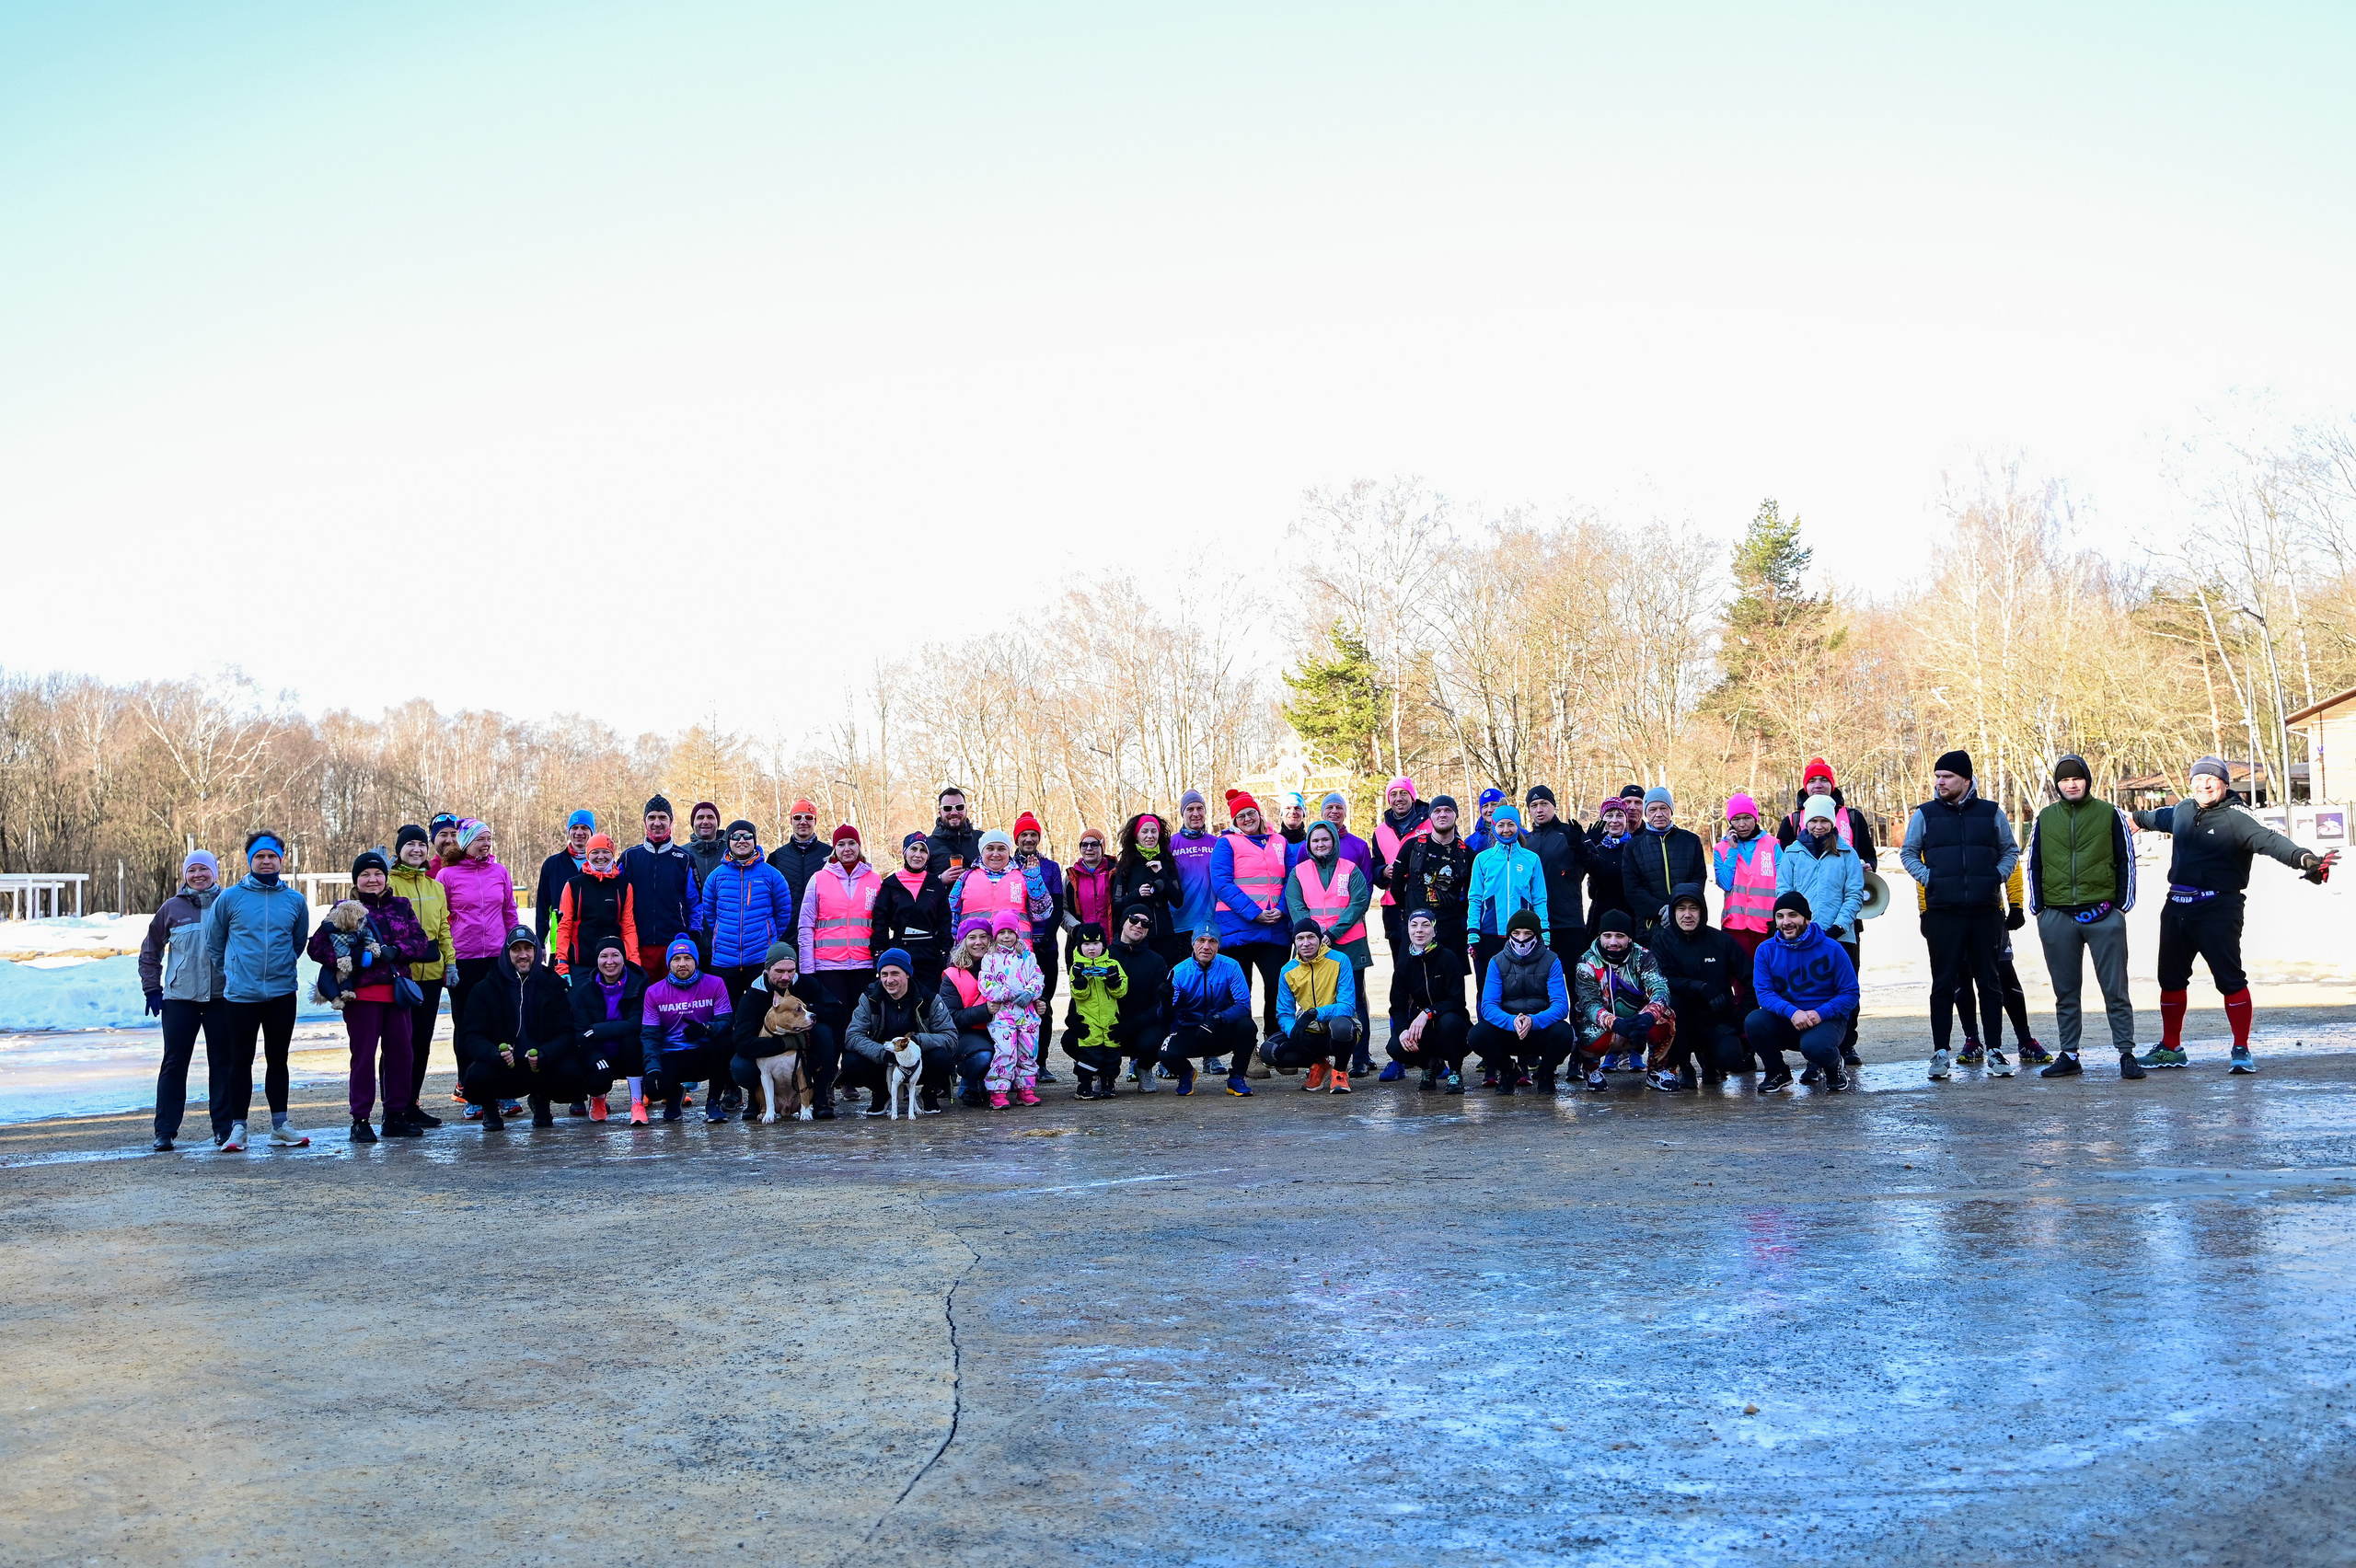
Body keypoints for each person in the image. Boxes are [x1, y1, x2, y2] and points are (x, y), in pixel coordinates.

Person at [2129, 754, 2336, 1073]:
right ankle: (2171, 1047)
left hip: (2219, 909)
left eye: (2211, 779)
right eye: (2197, 779)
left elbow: (2270, 841)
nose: (2204, 784)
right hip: (2177, 908)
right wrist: (2135, 819)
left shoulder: (2237, 817)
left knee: (2230, 979)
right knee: (2170, 980)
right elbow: (2157, 817)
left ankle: (2241, 1049)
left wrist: (2305, 859)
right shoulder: (2184, 809)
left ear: (2224, 783)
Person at [1899, 749, 2020, 1082]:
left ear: (1966, 780)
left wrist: (1996, 876)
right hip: (1943, 913)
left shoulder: (1991, 812)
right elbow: (1908, 853)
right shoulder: (1925, 814)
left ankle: (1994, 1049)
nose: (1940, 782)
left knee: (1990, 982)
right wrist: (1930, 879)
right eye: (1937, 776)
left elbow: (2011, 850)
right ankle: (1940, 1052)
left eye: (1947, 777)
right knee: (1944, 983)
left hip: (1986, 911)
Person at [2026, 753, 2142, 1080]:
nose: (2071, 784)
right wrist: (2039, 909)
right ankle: (2069, 1053)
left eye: (2076, 778)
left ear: (2087, 780)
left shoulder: (2109, 814)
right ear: (2057, 785)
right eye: (2064, 779)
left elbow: (2126, 859)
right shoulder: (2045, 818)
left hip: (2103, 914)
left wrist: (2122, 906)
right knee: (2065, 991)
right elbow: (2033, 862)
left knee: (2115, 989)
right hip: (2057, 916)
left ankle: (2126, 1053)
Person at [307, 848, 435, 1143]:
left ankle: (395, 1115)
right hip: (361, 996)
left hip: (397, 993)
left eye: (377, 873)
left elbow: (420, 942)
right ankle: (360, 1119)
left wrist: (396, 951)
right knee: (363, 1057)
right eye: (365, 875)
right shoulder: (343, 908)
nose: (372, 879)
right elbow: (316, 947)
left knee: (402, 1055)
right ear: (356, 880)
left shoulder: (402, 906)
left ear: (386, 877)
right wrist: (350, 956)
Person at [202, 831, 312, 1151]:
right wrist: (234, 972)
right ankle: (239, 1128)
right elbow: (215, 942)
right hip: (240, 996)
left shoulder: (294, 901)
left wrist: (283, 966)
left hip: (281, 993)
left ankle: (280, 1126)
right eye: (259, 856)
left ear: (281, 860)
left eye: (272, 856)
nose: (266, 861)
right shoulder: (230, 898)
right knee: (241, 1061)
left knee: (278, 1059)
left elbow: (298, 941)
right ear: (250, 860)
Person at [462, 926, 605, 1128]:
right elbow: (470, 1036)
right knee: (476, 1076)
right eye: (516, 949)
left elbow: (566, 1033)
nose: (523, 955)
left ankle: (541, 1102)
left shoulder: (553, 985)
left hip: (540, 1064)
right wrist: (494, 1053)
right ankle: (490, 1110)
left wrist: (545, 1053)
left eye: (528, 949)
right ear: (507, 952)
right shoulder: (484, 989)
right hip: (503, 1065)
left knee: (572, 1072)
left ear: (536, 952)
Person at [139, 849, 225, 1151]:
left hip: (222, 997)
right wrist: (152, 989)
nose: (198, 875)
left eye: (204, 869)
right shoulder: (171, 908)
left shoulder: (228, 903)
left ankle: (224, 1129)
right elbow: (150, 949)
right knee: (174, 1064)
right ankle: (164, 1131)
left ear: (215, 872)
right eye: (192, 870)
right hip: (180, 998)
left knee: (223, 1062)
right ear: (185, 874)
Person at [435, 818, 521, 1113]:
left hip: (497, 960)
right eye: (480, 839)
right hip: (463, 961)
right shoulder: (447, 876)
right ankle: (471, 1092)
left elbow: (510, 913)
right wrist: (446, 960)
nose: (486, 844)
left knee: (503, 1022)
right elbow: (440, 922)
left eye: (489, 838)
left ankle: (505, 1091)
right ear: (465, 843)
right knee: (468, 1027)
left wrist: (517, 950)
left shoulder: (500, 872)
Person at [797, 824, 882, 1115]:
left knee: (857, 1024)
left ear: (859, 847)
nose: (847, 849)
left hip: (862, 964)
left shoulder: (874, 880)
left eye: (852, 844)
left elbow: (879, 923)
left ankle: (851, 1079)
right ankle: (827, 1081)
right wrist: (807, 968)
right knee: (831, 1025)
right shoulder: (819, 879)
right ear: (835, 848)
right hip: (827, 965)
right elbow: (806, 924)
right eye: (842, 844)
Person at [1778, 792, 1866, 1075]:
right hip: (1802, 938)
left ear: (1832, 822)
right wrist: (1795, 923)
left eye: (1823, 821)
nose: (1818, 826)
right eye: (1813, 820)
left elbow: (1854, 893)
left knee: (1844, 991)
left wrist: (1839, 926)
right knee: (1809, 993)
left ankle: (1844, 1045)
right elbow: (1784, 892)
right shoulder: (1792, 852)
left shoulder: (1847, 853)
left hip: (1841, 935)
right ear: (1806, 821)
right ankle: (1815, 1057)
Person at [1744, 890, 1862, 1094]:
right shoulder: (1766, 950)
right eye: (1780, 916)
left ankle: (1835, 1067)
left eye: (1793, 915)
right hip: (1789, 1018)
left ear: (1807, 918)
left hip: (1827, 1019)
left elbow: (1850, 993)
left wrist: (1820, 1014)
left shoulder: (1832, 948)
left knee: (1814, 1048)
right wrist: (1792, 1012)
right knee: (1754, 1021)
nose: (1786, 922)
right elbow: (1764, 993)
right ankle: (1777, 1073)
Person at [1284, 818, 1374, 1072]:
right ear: (1309, 845)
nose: (1321, 844)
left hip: (1349, 943)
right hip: (1311, 946)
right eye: (1316, 840)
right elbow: (1296, 905)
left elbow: (1358, 904)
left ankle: (1360, 1058)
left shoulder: (1350, 869)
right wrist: (1313, 934)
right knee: (1312, 999)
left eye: (1325, 839)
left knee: (1355, 1001)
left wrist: (1332, 933)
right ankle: (1319, 1059)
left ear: (1334, 841)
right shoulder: (1298, 872)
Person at [1209, 789, 1289, 1065]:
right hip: (1237, 929)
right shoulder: (1227, 844)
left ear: (1259, 814)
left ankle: (1275, 1042)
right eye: (1241, 816)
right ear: (1234, 820)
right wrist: (1255, 914)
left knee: (1278, 986)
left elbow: (1292, 879)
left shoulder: (1279, 841)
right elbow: (1222, 884)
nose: (1247, 819)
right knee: (1240, 993)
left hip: (1275, 928)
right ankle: (1248, 1050)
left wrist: (1281, 909)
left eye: (1251, 813)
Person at [1949, 862, 2048, 1069]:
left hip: (1991, 913)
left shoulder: (1994, 828)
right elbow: (1924, 865)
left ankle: (2025, 1039)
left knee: (2004, 975)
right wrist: (1926, 911)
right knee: (1962, 976)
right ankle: (1972, 1039)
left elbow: (2010, 861)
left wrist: (2017, 905)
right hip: (1951, 914)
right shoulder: (1935, 828)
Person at [1649, 885, 1750, 1086]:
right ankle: (1684, 1065)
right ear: (1673, 912)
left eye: (1693, 908)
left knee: (1732, 1058)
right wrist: (1700, 987)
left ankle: (1711, 1063)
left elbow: (1750, 980)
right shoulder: (1661, 941)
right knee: (1670, 1002)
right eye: (1681, 909)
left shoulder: (1722, 941)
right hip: (1680, 1020)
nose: (1687, 915)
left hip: (1716, 1018)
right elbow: (1661, 980)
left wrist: (1738, 1022)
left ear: (1702, 910)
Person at [388, 824, 456, 1122]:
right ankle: (394, 1108)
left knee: (421, 1044)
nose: (416, 850)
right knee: (397, 1044)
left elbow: (444, 929)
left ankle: (411, 1104)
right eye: (409, 844)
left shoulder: (435, 886)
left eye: (420, 844)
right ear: (399, 850)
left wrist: (450, 963)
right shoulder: (389, 884)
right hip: (401, 976)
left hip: (430, 975)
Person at [1473, 909, 1580, 1094]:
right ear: (1509, 935)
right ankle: (1509, 1071)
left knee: (1565, 1034)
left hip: (1539, 1028)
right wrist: (1511, 1021)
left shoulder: (1552, 960)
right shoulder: (1496, 961)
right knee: (1477, 1035)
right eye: (1516, 933)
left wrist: (1533, 1020)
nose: (1521, 939)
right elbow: (1488, 1006)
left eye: (1528, 933)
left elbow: (1561, 1005)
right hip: (1509, 1028)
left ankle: (1546, 1073)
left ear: (1537, 935)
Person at [842, 948, 957, 1115]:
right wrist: (882, 1052)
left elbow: (951, 1037)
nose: (889, 980)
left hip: (919, 1061)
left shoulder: (929, 998)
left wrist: (917, 1041)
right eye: (884, 974)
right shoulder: (869, 999)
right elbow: (852, 1036)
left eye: (895, 973)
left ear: (908, 974)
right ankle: (882, 1092)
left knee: (943, 1058)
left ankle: (928, 1092)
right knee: (850, 1062)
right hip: (883, 1061)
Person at [1570, 909, 1674, 1093]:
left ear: (1630, 938)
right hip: (1607, 1024)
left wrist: (1647, 1018)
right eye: (1607, 935)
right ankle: (1591, 1070)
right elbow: (1589, 1005)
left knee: (1667, 1017)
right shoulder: (1586, 963)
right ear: (1600, 936)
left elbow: (1660, 988)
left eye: (1620, 936)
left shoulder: (1644, 957)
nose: (1613, 942)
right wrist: (1616, 1023)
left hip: (1640, 1022)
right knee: (1587, 1030)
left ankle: (1657, 1070)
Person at [699, 818, 795, 1008]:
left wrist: (768, 936)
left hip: (761, 957)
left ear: (754, 840)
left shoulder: (771, 874)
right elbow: (710, 913)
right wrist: (722, 932)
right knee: (726, 1013)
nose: (741, 840)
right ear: (728, 842)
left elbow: (783, 912)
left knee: (761, 1011)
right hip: (725, 960)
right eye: (735, 836)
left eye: (747, 836)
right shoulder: (716, 876)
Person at [640, 933, 735, 1123]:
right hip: (671, 1053)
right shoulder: (653, 991)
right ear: (669, 963)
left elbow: (727, 1021)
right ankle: (675, 1094)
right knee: (654, 1088)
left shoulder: (715, 983)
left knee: (726, 1043)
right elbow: (649, 1035)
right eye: (676, 959)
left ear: (696, 961)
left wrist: (706, 1028)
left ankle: (713, 1102)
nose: (682, 963)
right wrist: (652, 1069)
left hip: (704, 1052)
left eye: (687, 958)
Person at [724, 942, 823, 1119]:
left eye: (791, 970)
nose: (786, 977)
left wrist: (807, 1035)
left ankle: (821, 1096)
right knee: (740, 1066)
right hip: (762, 1047)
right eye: (779, 971)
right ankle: (758, 1103)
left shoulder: (806, 984)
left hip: (798, 1057)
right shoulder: (752, 997)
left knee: (826, 1034)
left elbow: (836, 1012)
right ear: (767, 970)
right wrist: (787, 1042)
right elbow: (742, 1043)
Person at [1160, 925, 1254, 1096]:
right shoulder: (1179, 972)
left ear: (1218, 945)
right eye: (1201, 940)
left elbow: (1243, 1005)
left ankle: (1237, 1077)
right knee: (1164, 1052)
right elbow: (1165, 1018)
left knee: (1248, 1026)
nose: (1206, 946)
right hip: (1190, 1030)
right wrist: (1165, 1003)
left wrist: (1218, 1019)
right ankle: (1186, 1072)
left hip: (1218, 1028)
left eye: (1212, 941)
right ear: (1193, 943)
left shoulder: (1231, 966)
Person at [1267, 919, 1358, 1093]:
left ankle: (1339, 1072)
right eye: (1300, 938)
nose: (1306, 943)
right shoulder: (1288, 970)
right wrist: (1293, 1030)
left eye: (1311, 937)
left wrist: (1314, 1013)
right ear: (1294, 941)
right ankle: (1319, 1064)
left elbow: (1347, 1006)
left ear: (1320, 938)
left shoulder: (1340, 960)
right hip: (1310, 1029)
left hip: (1340, 1027)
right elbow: (1284, 1012)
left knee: (1341, 1026)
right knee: (1269, 1051)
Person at [618, 795, 702, 986]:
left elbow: (695, 903)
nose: (657, 823)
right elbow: (617, 900)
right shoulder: (629, 858)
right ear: (644, 821)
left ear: (671, 821)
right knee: (642, 999)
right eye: (652, 817)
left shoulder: (685, 859)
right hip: (637, 945)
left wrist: (694, 934)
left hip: (674, 945)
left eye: (663, 817)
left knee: (674, 999)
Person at [1387, 907, 1472, 1092]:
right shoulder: (1404, 965)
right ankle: (1428, 1067)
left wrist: (1428, 1012)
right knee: (1394, 1046)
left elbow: (1457, 1001)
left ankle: (1455, 1072)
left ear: (1434, 930)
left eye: (1425, 925)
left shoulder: (1448, 958)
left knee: (1450, 1023)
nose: (1419, 930)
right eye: (1414, 925)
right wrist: (1402, 1031)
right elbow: (1397, 1007)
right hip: (1422, 1029)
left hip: (1451, 1023)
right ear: (1408, 930)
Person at [1466, 802, 1547, 990]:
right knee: (1487, 988)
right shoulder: (1483, 859)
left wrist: (1545, 932)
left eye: (1511, 824)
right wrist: (1473, 932)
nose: (1506, 830)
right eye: (1500, 825)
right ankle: (1486, 1020)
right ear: (1493, 827)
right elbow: (1475, 898)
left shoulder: (1531, 859)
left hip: (1523, 936)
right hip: (1489, 934)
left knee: (1520, 989)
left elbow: (1540, 899)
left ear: (1518, 826)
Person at [570, 934, 650, 1122]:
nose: (610, 962)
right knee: (596, 1069)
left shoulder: (639, 984)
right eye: (604, 956)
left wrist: (597, 1031)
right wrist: (594, 1055)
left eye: (615, 955)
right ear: (597, 960)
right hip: (600, 1052)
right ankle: (598, 1099)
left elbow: (637, 1023)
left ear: (624, 957)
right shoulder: (584, 991)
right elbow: (581, 1032)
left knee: (632, 1042)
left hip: (629, 1052)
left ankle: (637, 1103)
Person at [1392, 795, 1475, 956]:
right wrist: (1410, 910)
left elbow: (1473, 893)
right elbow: (1396, 886)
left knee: (1452, 979)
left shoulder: (1466, 853)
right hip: (1416, 928)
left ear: (1456, 815)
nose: (1442, 814)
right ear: (1430, 816)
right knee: (1411, 978)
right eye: (1437, 811)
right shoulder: (1412, 846)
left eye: (1448, 810)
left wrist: (1458, 914)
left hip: (1451, 930)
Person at [1621, 787, 1708, 942]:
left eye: (1663, 808)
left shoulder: (1690, 841)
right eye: (1653, 809)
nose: (1659, 814)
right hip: (1650, 928)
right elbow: (1632, 889)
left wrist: (1678, 907)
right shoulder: (1633, 846)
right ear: (1646, 813)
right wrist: (1661, 909)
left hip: (1687, 923)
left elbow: (1698, 878)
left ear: (1671, 810)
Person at [873, 832, 954, 997]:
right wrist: (879, 952)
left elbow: (945, 920)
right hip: (900, 953)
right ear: (905, 852)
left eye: (923, 850)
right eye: (913, 849)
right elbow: (880, 922)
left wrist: (945, 950)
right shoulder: (891, 884)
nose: (918, 855)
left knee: (929, 1004)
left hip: (930, 956)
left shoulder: (935, 883)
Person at [979, 911, 1046, 1108]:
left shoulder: (1028, 956)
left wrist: (1030, 993)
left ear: (1017, 933)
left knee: (1028, 1051)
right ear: (995, 935)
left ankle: (1025, 1089)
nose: (1006, 936)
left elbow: (1038, 978)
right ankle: (998, 1091)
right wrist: (1006, 993)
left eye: (1010, 932)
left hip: (1027, 1014)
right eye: (1002, 932)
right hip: (1003, 1015)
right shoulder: (990, 958)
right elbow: (986, 983)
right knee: (1005, 1051)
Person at [1520, 786, 1588, 975]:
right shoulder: (1526, 841)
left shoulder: (1569, 834)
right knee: (1541, 983)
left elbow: (1594, 866)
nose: (1539, 809)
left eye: (1544, 804)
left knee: (1575, 983)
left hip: (1568, 922)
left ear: (1554, 806)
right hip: (1536, 925)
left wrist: (1586, 848)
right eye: (1534, 805)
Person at [939, 917, 1004, 1107]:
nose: (978, 942)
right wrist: (985, 1011)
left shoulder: (1005, 966)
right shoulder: (953, 974)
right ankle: (969, 1082)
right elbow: (950, 1017)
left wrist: (1041, 1004)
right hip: (967, 1032)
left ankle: (993, 1084)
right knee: (985, 1055)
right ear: (963, 942)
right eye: (972, 938)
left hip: (1002, 1027)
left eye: (983, 937)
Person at [1369, 778, 1433, 967]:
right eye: (1394, 794)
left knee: (1429, 964)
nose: (1399, 798)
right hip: (1394, 907)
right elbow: (1375, 866)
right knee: (1402, 967)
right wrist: (1382, 872)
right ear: (1389, 800)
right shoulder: (1380, 831)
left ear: (1413, 797)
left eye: (1404, 793)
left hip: (1426, 901)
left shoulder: (1431, 823)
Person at [1061, 922, 1128, 1099]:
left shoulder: (1112, 963)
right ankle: (1083, 1085)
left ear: (1103, 945)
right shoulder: (1077, 967)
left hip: (1110, 1018)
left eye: (1096, 944)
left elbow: (1121, 991)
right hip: (1088, 1020)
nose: (1091, 948)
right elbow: (1078, 996)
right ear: (1079, 946)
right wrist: (1080, 981)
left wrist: (1113, 980)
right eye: (1086, 944)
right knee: (1090, 1054)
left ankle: (1108, 1083)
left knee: (1112, 1053)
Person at [1011, 811, 1067, 1026]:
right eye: (1024, 834)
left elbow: (1057, 907)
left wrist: (1047, 938)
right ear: (1017, 838)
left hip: (1046, 944)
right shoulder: (1009, 867)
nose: (1029, 839)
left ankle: (1041, 1058)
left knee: (1044, 1003)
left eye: (1033, 834)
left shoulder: (1050, 867)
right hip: (1018, 942)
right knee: (1017, 1001)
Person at [1712, 792, 1780, 967]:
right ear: (1730, 822)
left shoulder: (1773, 844)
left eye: (1747, 818)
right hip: (1735, 927)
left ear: (1755, 818)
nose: (1742, 824)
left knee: (1768, 978)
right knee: (1741, 982)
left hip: (1767, 926)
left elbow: (1783, 883)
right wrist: (1733, 850)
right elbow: (1725, 883)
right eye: (1736, 819)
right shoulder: (1721, 849)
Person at [552, 834, 635, 976]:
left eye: (606, 852)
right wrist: (562, 965)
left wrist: (634, 964)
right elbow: (564, 927)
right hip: (580, 965)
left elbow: (628, 928)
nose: (601, 857)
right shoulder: (573, 885)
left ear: (613, 854)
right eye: (595, 852)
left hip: (613, 967)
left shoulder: (624, 887)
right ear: (588, 855)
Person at [1108, 905, 1171, 1091]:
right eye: (1134, 920)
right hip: (1109, 1024)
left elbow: (1160, 1003)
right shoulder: (1104, 955)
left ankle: (1144, 1067)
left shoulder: (1156, 960)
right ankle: (1105, 1074)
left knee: (1157, 1038)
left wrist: (1135, 1023)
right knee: (1073, 1039)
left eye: (1145, 923)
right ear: (1123, 922)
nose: (1138, 925)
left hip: (1142, 1026)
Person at [1775, 757, 1878, 859]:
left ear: (1832, 785)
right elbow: (1782, 862)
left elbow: (1868, 855)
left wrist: (1868, 864)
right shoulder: (1792, 821)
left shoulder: (1853, 817)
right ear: (1806, 787)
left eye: (1824, 780)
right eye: (1812, 781)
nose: (1818, 785)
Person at [1114, 813, 1181, 963]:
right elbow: (1116, 904)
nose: (1150, 836)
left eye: (1153, 831)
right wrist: (1137, 894)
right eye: (1145, 831)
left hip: (1165, 934)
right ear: (1136, 835)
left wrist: (1162, 873)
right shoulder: (1126, 863)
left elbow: (1178, 900)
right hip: (1137, 936)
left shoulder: (1167, 861)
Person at [1169, 790, 1221, 952]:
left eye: (1200, 808)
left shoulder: (1217, 843)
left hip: (1210, 923)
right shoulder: (1170, 844)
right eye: (1190, 809)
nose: (1196, 813)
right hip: (1179, 923)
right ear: (1182, 813)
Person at [534, 810, 595, 947]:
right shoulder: (552, 864)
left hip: (593, 945)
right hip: (560, 945)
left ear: (592, 832)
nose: (579, 832)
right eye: (574, 828)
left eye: (584, 828)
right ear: (569, 831)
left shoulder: (601, 865)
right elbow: (543, 907)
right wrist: (540, 943)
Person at [767, 799, 834, 917]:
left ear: (815, 821)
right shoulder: (775, 858)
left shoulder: (830, 855)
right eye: (798, 817)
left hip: (821, 929)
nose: (803, 822)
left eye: (808, 817)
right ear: (791, 821)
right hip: (787, 930)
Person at [1584, 797, 1635, 948]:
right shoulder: (1595, 848)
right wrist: (1585, 845)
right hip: (1600, 915)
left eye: (1619, 815)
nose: (1614, 820)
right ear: (1602, 818)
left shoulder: (1634, 846)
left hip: (1629, 916)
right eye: (1609, 815)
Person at [1062, 826, 1117, 941]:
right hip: (1081, 943)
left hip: (1112, 942)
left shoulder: (1117, 873)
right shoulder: (1071, 877)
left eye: (1094, 844)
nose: (1089, 848)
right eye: (1084, 844)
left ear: (1102, 847)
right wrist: (1076, 928)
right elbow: (1062, 909)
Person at [924, 786, 983, 890]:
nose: (954, 812)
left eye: (959, 807)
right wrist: (940, 879)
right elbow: (918, 885)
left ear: (966, 809)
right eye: (948, 808)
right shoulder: (927, 845)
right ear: (940, 812)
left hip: (980, 905)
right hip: (943, 905)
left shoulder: (982, 840)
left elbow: (1000, 873)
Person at [683, 801, 729, 894]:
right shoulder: (682, 854)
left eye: (710, 817)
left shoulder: (731, 852)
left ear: (717, 822)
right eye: (700, 818)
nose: (705, 821)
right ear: (693, 823)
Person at [1465, 787, 1505, 856]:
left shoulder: (1521, 835)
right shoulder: (1471, 842)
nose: (1489, 810)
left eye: (1494, 804)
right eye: (1485, 806)